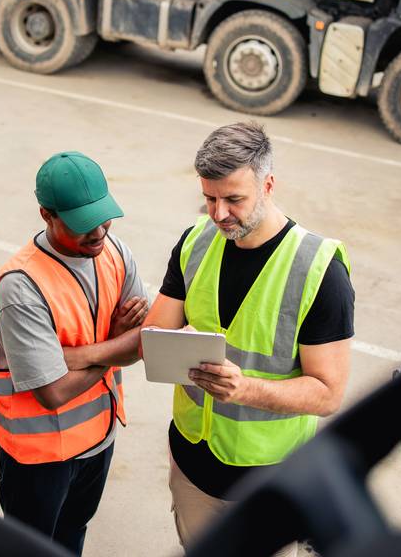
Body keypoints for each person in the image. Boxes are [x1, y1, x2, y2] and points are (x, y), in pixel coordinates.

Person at [142, 122, 354, 556]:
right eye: (209, 198)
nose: (218, 213)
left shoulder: (319, 270)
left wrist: (245, 390)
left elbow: (328, 394)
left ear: (268, 184)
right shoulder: (196, 242)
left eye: (234, 199)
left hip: (270, 486)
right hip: (193, 470)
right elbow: (156, 332)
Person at [0, 151, 148, 556]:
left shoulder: (113, 252)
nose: (97, 232)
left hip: (99, 440)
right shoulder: (20, 287)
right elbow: (52, 392)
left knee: (73, 535)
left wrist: (77, 356)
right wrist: (115, 342)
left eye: (103, 217)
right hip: (40, 459)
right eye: (81, 224)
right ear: (46, 214)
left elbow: (144, 339)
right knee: (31, 548)